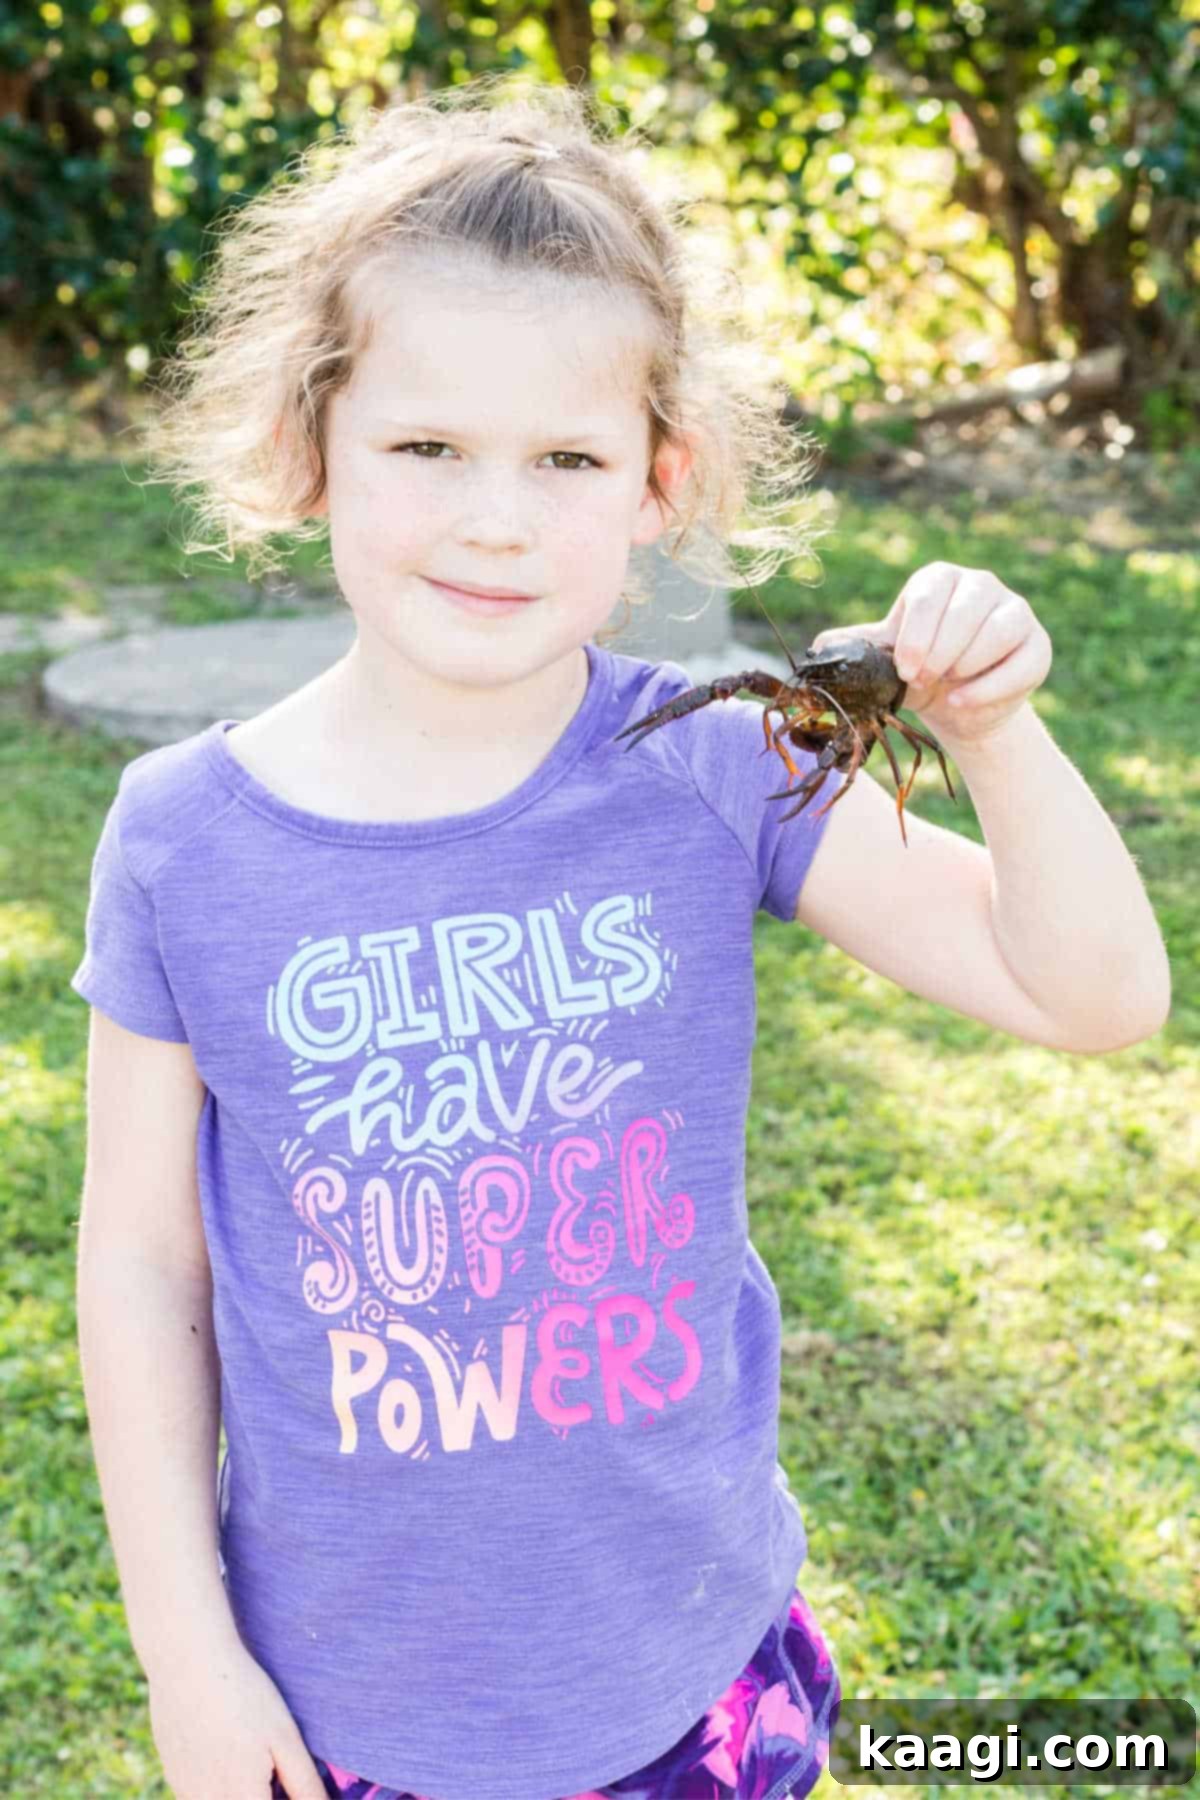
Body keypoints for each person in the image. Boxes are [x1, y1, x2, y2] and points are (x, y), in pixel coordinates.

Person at [71, 75, 1170, 1800]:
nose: (495, 518)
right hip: (346, 1724)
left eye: (565, 459)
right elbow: (141, 1270)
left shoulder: (723, 763)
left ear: (659, 484)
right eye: (426, 446)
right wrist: (184, 1657)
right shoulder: (181, 839)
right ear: (310, 447)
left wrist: (996, 735)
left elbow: (1095, 994)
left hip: (691, 1689)